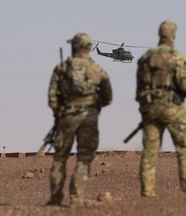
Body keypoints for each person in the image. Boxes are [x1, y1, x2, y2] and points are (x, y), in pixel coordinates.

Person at [47, 33, 113, 206]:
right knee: (84, 158)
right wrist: (94, 107)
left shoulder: (62, 68)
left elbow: (52, 96)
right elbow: (108, 96)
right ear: (88, 48)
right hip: (89, 117)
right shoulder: (97, 69)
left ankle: (55, 198)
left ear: (74, 47)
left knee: (60, 158)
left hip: (67, 116)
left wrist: (58, 113)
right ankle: (76, 198)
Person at [136, 20, 186, 196]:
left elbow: (139, 89)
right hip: (173, 108)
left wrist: (145, 109)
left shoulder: (145, 58)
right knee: (184, 147)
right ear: (173, 35)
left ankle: (147, 193)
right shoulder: (177, 57)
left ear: (159, 34)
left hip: (150, 109)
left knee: (150, 151)